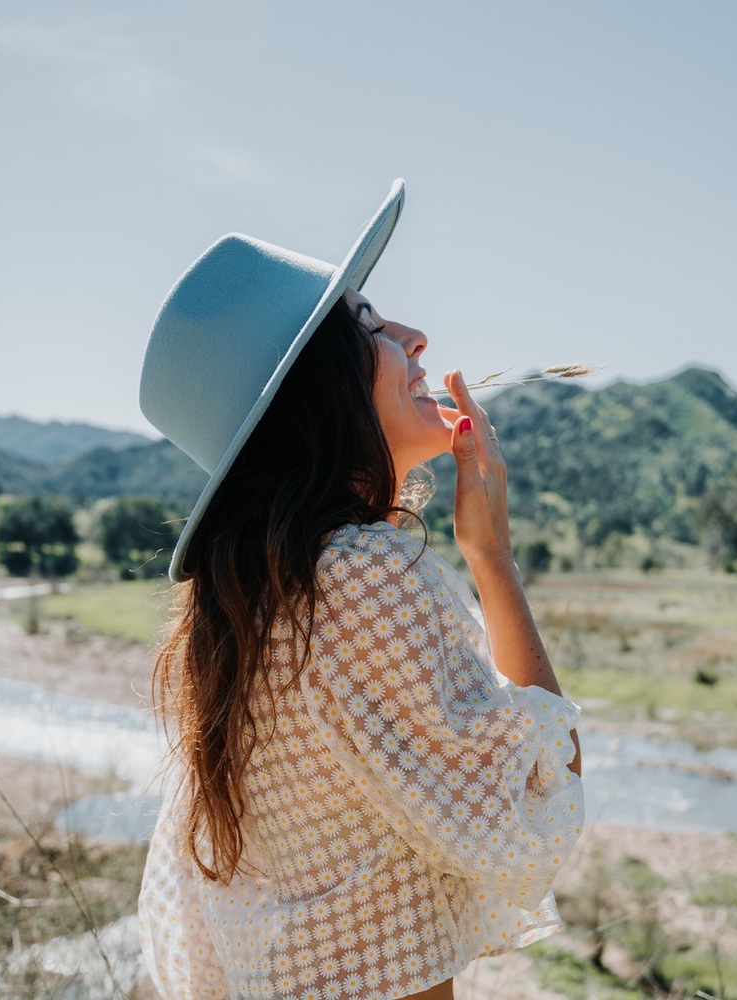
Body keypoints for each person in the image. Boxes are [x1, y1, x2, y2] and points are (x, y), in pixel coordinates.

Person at [137, 179, 584, 1000]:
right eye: (371, 327)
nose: (415, 337)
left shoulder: (249, 599)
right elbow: (536, 789)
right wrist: (493, 560)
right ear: (317, 388)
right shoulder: (359, 577)